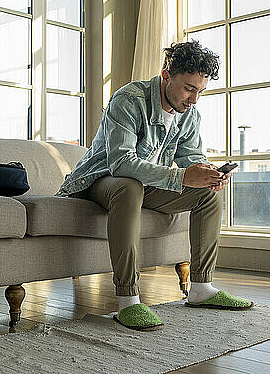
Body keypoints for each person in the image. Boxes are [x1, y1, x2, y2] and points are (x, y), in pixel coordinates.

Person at [55, 40, 253, 331]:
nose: (194, 99)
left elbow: (193, 158)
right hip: (99, 180)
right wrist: (182, 177)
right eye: (189, 88)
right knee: (129, 186)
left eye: (201, 91)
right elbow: (121, 163)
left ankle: (201, 288)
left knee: (207, 195)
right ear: (166, 75)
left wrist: (210, 174)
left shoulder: (189, 115)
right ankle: (128, 299)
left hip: (145, 185)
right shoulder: (129, 99)